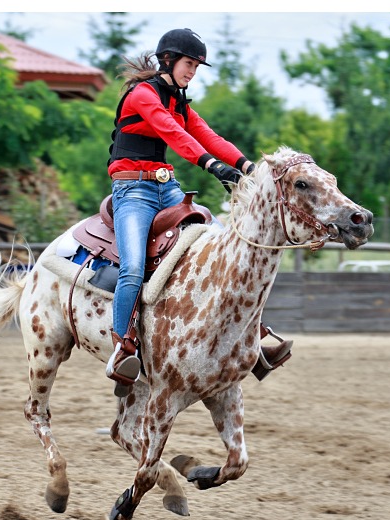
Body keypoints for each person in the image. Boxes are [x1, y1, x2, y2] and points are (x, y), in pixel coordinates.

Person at [104, 28, 292, 392]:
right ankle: (123, 347)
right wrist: (211, 166)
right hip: (132, 192)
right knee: (131, 268)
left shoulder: (179, 101)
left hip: (167, 188)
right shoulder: (143, 95)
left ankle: (254, 335)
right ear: (169, 61)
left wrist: (249, 168)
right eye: (189, 64)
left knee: (226, 245)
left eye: (196, 66)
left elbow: (208, 136)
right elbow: (174, 135)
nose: (193, 72)